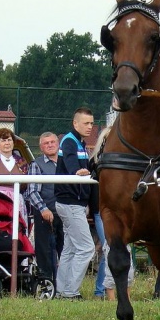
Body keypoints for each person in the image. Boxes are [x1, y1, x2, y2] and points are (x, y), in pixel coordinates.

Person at [54, 107, 96, 300]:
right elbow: (72, 166)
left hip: (71, 203)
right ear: (75, 123)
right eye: (86, 123)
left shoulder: (79, 142)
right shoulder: (70, 141)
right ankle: (70, 292)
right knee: (87, 248)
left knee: (70, 249)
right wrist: (77, 172)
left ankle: (62, 291)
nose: (90, 127)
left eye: (91, 123)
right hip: (70, 203)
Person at [25, 132, 64, 285]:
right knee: (44, 251)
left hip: (65, 212)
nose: (50, 145)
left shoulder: (65, 162)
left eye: (52, 142)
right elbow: (32, 191)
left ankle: (65, 285)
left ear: (57, 143)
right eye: (46, 143)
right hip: (45, 213)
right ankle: (46, 284)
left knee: (66, 250)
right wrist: (43, 209)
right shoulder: (36, 164)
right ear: (41, 147)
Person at [0, 128, 30, 225]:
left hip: (17, 199)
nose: (7, 143)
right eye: (3, 140)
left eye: (9, 140)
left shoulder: (22, 162)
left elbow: (26, 184)